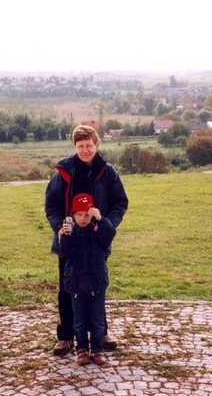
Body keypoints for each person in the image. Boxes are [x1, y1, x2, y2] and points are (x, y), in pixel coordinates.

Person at [45, 124, 128, 356]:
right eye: (80, 146)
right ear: (74, 146)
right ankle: (66, 336)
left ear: (97, 145)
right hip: (69, 240)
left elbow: (120, 202)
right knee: (67, 287)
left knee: (97, 286)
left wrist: (107, 224)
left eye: (88, 145)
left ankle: (100, 333)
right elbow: (51, 204)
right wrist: (59, 227)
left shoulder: (108, 171)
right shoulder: (64, 171)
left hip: (97, 241)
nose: (84, 150)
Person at [58, 193, 115, 366]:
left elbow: (109, 235)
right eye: (79, 215)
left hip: (96, 283)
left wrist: (101, 219)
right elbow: (66, 253)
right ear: (73, 216)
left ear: (92, 214)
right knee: (79, 320)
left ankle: (97, 350)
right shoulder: (71, 233)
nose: (83, 219)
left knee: (97, 321)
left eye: (87, 214)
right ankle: (81, 349)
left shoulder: (98, 230)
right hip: (76, 284)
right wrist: (64, 236)